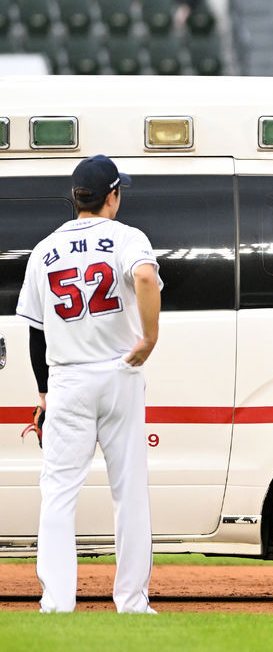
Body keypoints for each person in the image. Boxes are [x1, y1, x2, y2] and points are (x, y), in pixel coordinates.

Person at [15, 155, 162, 613]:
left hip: (67, 377)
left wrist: (43, 391)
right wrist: (149, 338)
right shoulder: (126, 237)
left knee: (58, 492)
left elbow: (36, 330)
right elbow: (144, 275)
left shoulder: (44, 249)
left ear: (75, 198)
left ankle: (57, 602)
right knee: (129, 490)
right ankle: (132, 602)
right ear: (111, 195)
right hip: (118, 372)